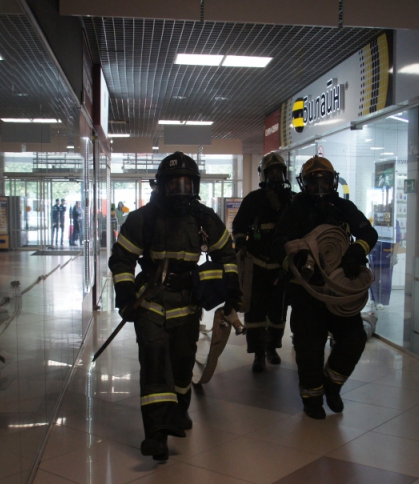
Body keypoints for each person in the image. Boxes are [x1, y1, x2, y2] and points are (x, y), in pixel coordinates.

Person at [108, 151, 239, 461]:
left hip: (188, 306)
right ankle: (157, 435)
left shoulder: (204, 218)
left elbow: (227, 254)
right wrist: (125, 296)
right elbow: (122, 260)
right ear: (161, 186)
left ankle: (180, 409)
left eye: (187, 184)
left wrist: (232, 290)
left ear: (195, 186)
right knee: (154, 363)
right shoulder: (142, 219)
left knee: (182, 365)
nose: (181, 190)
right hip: (150, 304)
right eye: (174, 184)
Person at [272, 156, 378, 420]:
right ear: (303, 184)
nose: (319, 187)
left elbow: (368, 234)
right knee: (309, 347)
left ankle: (332, 384)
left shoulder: (343, 208)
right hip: (306, 292)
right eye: (313, 182)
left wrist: (355, 252)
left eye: (325, 181)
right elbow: (277, 245)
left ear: (333, 181)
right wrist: (297, 260)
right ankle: (312, 399)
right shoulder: (294, 210)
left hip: (339, 291)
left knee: (354, 339)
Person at [232, 152, 294, 372]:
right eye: (271, 172)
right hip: (256, 266)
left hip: (282, 267)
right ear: (263, 174)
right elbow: (239, 226)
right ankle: (258, 353)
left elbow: (297, 227)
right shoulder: (253, 199)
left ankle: (272, 348)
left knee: (277, 312)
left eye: (279, 171)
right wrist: (241, 245)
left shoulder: (292, 200)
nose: (276, 175)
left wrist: (279, 207)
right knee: (255, 312)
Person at [369, 218, 403, 309]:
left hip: (387, 254)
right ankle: (373, 298)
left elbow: (397, 240)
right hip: (374, 253)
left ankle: (383, 301)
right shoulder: (373, 219)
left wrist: (394, 255)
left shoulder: (394, 222)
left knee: (386, 280)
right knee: (373, 278)